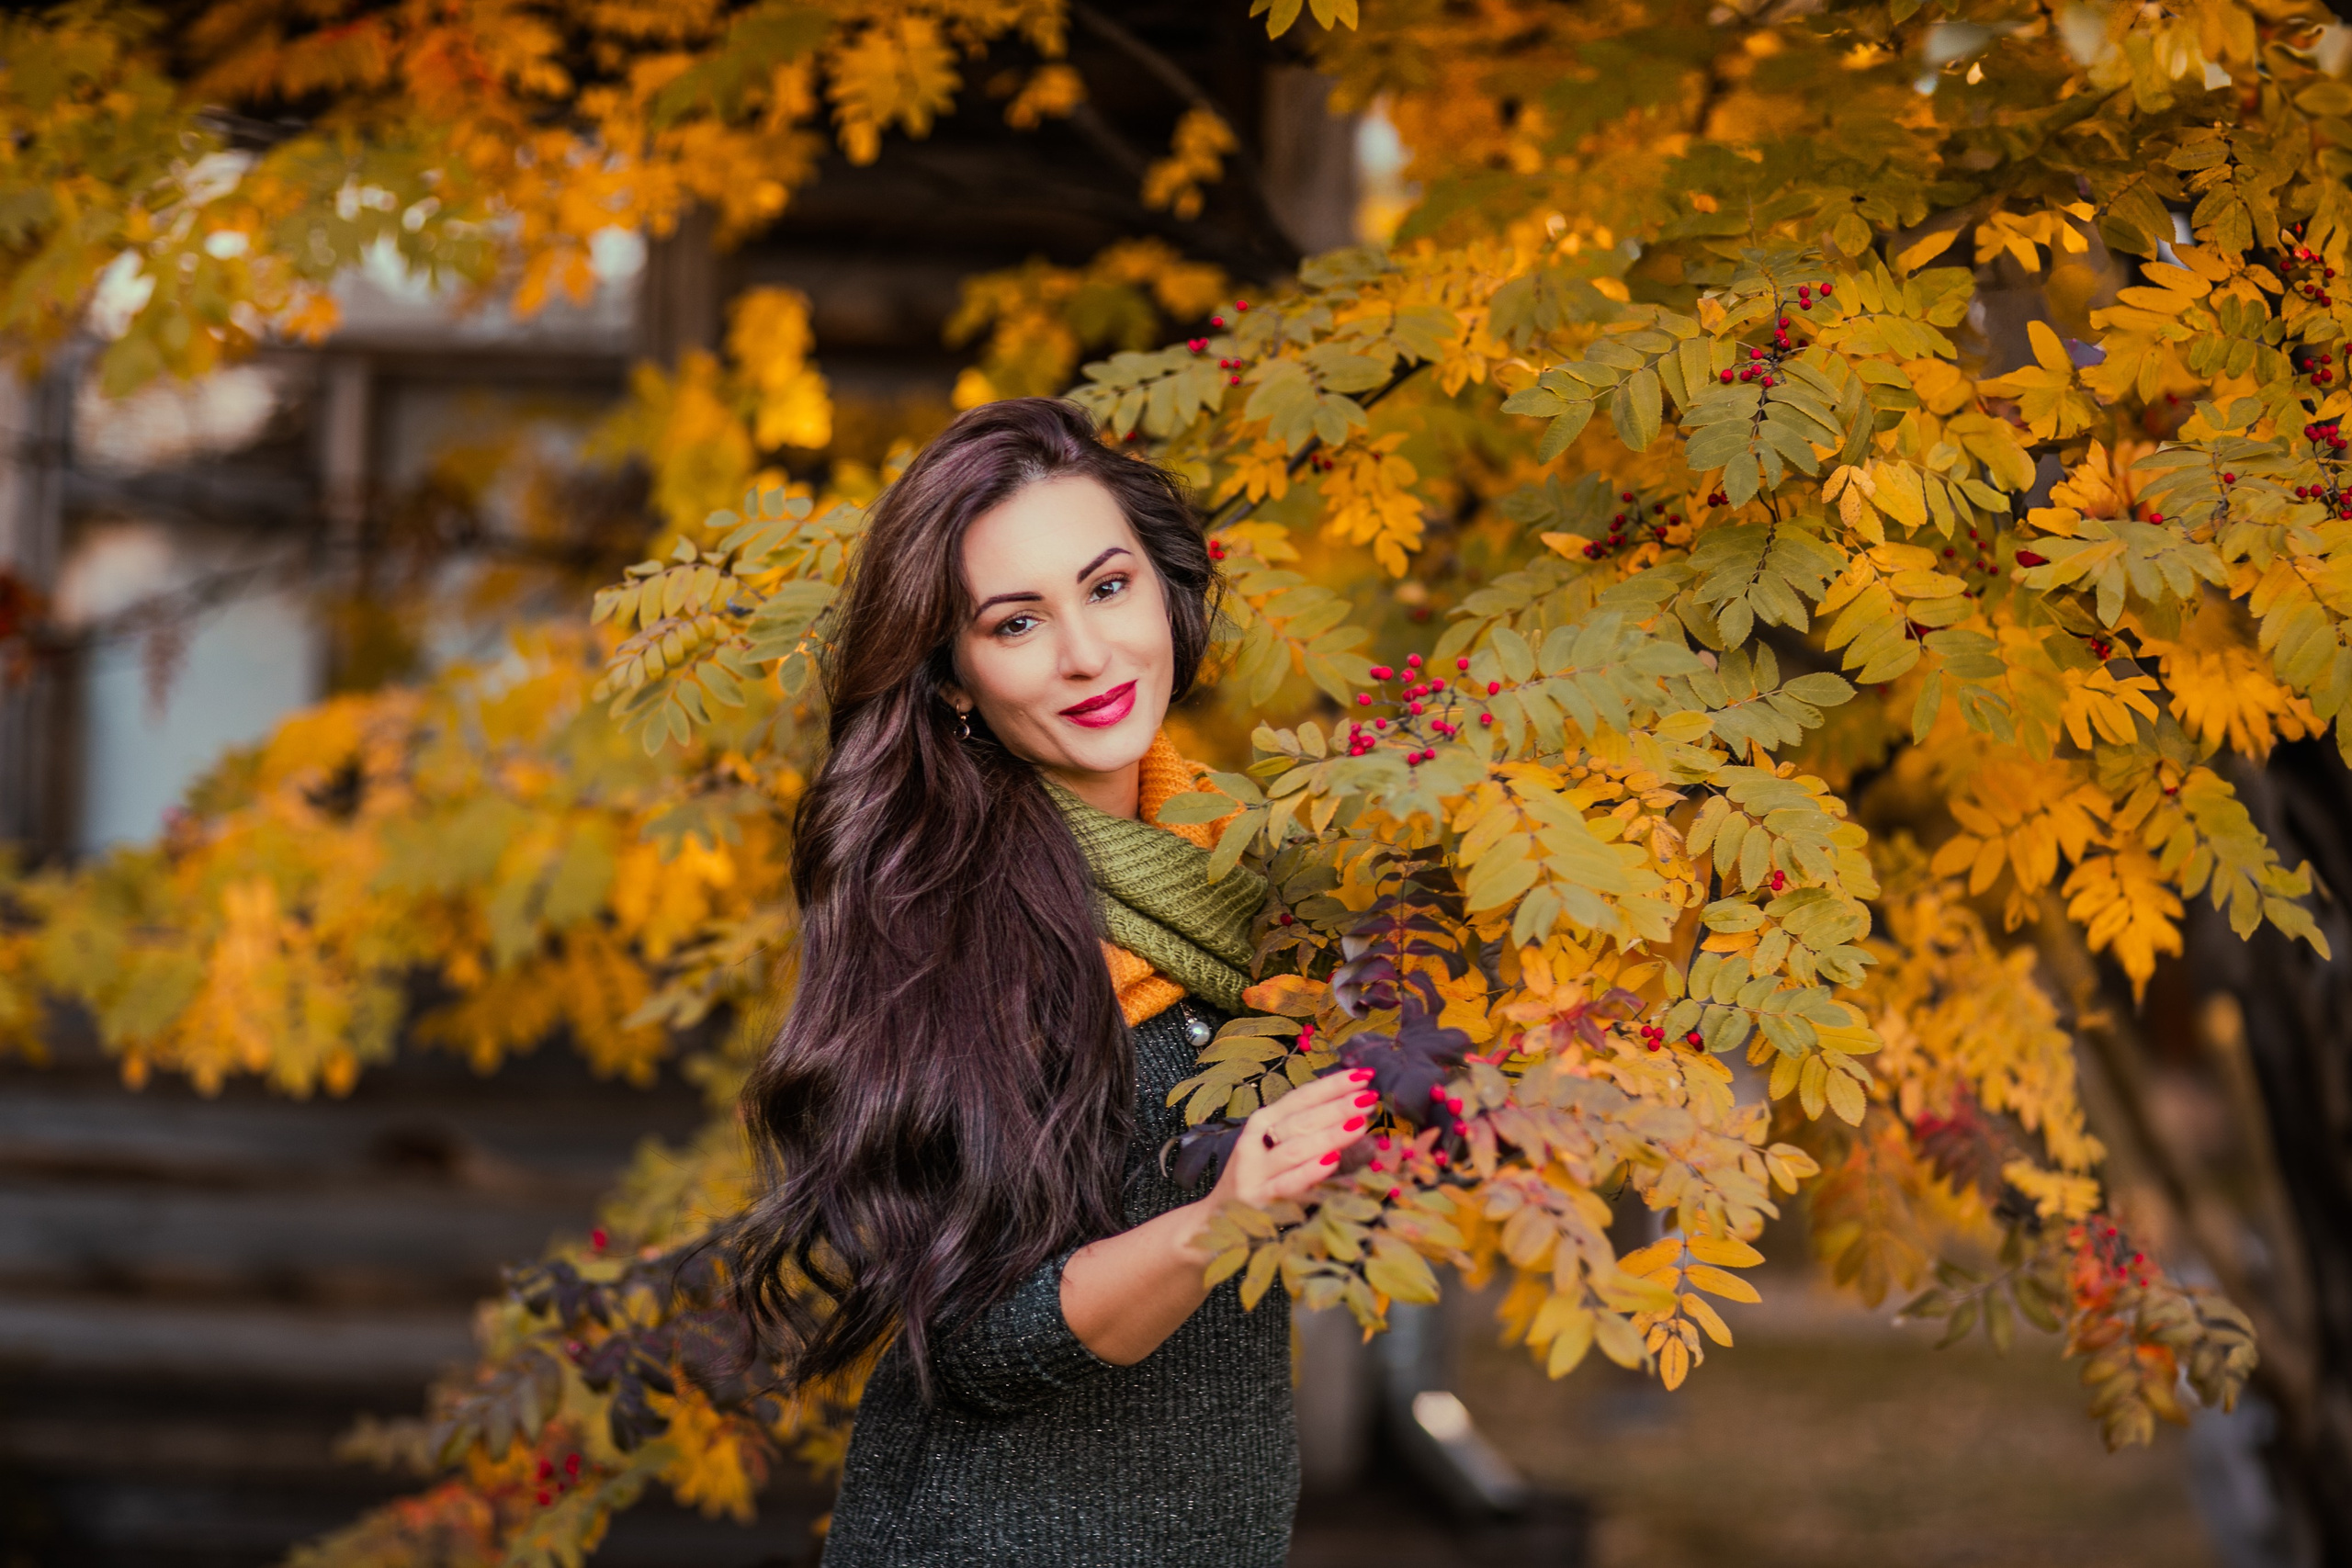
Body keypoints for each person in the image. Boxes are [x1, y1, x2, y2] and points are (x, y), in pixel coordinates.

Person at [734, 398, 1375, 1566]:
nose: (1086, 653)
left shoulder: (1250, 880)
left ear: (1167, 594)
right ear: (955, 680)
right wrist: (1219, 1220)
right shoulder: (942, 923)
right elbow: (968, 1339)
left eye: (1109, 587)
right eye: (1017, 622)